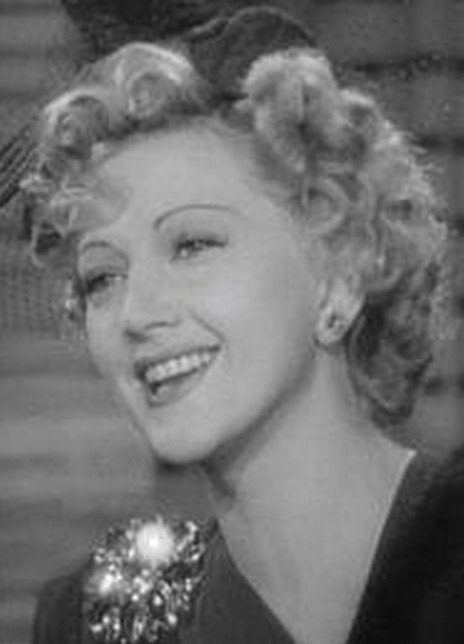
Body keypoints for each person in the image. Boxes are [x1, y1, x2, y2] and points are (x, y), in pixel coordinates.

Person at [10, 4, 462, 644]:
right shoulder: (92, 624)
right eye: (102, 279)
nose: (136, 313)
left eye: (193, 244)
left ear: (340, 271)